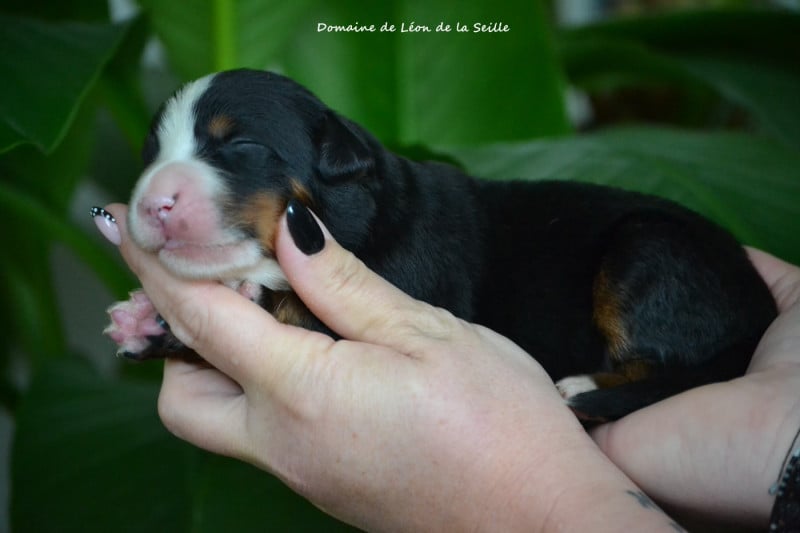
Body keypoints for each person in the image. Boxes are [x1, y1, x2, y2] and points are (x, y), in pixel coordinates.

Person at [95, 201, 800, 532]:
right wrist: (777, 443)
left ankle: (649, 376)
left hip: (659, 287)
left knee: (649, 259)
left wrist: (542, 501)